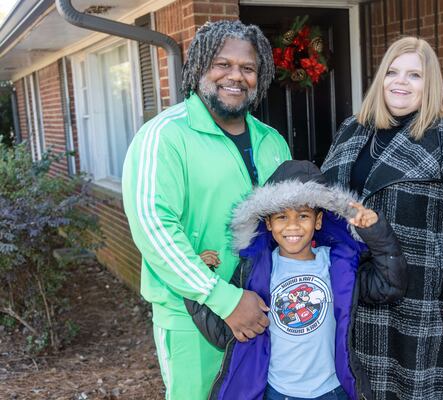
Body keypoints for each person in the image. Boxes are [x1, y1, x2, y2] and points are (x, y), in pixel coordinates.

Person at [121, 20, 291, 399]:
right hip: (192, 314)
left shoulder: (272, 141)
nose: (236, 76)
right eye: (222, 64)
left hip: (263, 311)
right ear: (199, 68)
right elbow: (155, 228)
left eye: (248, 68)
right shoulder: (165, 136)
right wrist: (224, 300)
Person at [320, 36, 443, 400]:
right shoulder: (353, 128)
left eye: (414, 75)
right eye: (393, 72)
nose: (400, 82)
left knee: (416, 387)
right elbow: (326, 199)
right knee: (355, 381)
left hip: (420, 291)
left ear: (430, 85)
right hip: (355, 285)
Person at [185, 160, 408, 400]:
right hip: (277, 393)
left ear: (318, 220)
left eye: (303, 215)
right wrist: (198, 282)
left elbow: (390, 286)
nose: (292, 226)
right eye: (281, 216)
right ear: (268, 223)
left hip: (332, 392)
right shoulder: (256, 271)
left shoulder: (337, 265)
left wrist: (376, 232)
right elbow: (224, 333)